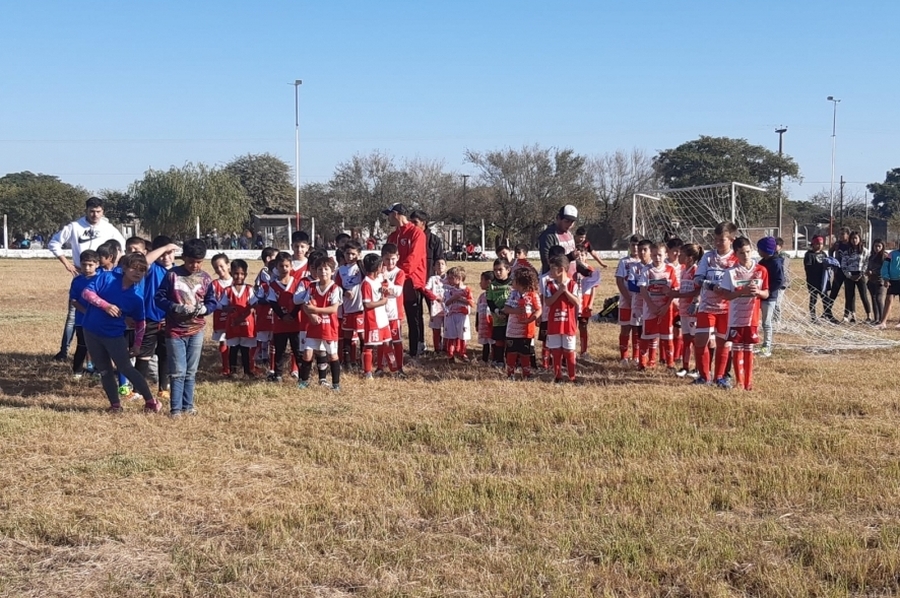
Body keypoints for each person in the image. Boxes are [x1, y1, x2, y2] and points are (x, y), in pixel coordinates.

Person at [48, 196, 127, 362]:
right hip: (81, 275)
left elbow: (121, 247)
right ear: (86, 210)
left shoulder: (108, 228)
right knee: (73, 315)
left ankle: (94, 357)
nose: (95, 215)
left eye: (98, 211)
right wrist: (67, 264)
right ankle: (63, 351)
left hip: (101, 276)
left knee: (97, 311)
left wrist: (112, 267)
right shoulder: (75, 227)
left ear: (102, 211)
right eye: (92, 211)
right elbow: (54, 243)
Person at [80, 252, 160, 413]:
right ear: (124, 268)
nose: (138, 273)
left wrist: (137, 345)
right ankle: (115, 405)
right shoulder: (106, 278)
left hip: (114, 336)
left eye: (142, 270)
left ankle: (151, 401)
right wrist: (105, 305)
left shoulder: (136, 298)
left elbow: (140, 322)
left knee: (125, 368)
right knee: (104, 370)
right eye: (134, 268)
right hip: (90, 330)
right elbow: (86, 293)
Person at [155, 238, 217, 417]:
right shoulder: (172, 275)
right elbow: (159, 298)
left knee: (191, 371)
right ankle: (175, 409)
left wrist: (205, 309)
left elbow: (212, 301)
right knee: (177, 371)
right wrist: (174, 307)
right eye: (191, 261)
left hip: (197, 330)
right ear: (183, 258)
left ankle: (188, 406)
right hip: (175, 330)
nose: (194, 265)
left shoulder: (205, 278)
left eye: (198, 262)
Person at [692, 222, 739, 388]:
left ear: (731, 240)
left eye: (722, 240)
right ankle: (704, 377)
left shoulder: (736, 259)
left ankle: (720, 377)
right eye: (716, 239)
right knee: (700, 341)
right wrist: (711, 285)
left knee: (723, 343)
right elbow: (697, 278)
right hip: (707, 306)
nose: (718, 243)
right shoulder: (708, 257)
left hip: (727, 308)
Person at [719, 237, 769, 391]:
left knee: (749, 349)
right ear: (736, 254)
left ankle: (749, 383)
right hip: (735, 318)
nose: (746, 256)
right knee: (737, 348)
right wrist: (742, 291)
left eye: (748, 251)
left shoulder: (761, 270)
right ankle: (739, 382)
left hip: (751, 318)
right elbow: (725, 295)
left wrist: (758, 292)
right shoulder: (731, 272)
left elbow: (766, 293)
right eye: (741, 253)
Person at [384, 203, 427, 359]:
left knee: (413, 316)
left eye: (389, 214)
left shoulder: (416, 233)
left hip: (411, 281)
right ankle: (391, 349)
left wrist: (398, 274)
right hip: (392, 282)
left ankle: (416, 350)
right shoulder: (392, 236)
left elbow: (413, 259)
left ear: (396, 214)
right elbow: (385, 257)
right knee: (392, 314)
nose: (387, 218)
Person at [296, 255, 343, 390]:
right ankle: (303, 381)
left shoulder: (335, 289)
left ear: (332, 271)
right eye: (320, 269)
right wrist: (311, 315)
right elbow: (305, 305)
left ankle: (335, 384)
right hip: (313, 326)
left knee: (332, 354)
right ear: (315, 271)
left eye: (326, 269)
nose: (323, 272)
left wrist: (315, 310)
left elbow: (333, 309)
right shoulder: (311, 287)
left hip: (329, 327)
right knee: (307, 353)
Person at [637, 242, 679, 369]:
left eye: (660, 255)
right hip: (650, 309)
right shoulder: (647, 270)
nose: (657, 258)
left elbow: (674, 290)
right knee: (647, 335)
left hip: (666, 309)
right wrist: (651, 306)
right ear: (651, 255)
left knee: (667, 336)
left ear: (665, 254)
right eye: (654, 255)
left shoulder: (670, 269)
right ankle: (642, 363)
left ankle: (670, 363)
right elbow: (643, 290)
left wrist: (666, 306)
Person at [266, 252, 305, 382]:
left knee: (298, 350)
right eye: (281, 266)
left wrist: (292, 315)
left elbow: (300, 301)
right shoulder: (273, 285)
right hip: (280, 323)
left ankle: (302, 375)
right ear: (276, 267)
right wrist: (283, 316)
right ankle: (278, 374)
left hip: (295, 322)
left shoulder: (298, 283)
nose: (284, 269)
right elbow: (273, 303)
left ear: (291, 266)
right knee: (280, 350)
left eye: (287, 266)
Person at [544, 255, 581, 384]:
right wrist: (559, 292)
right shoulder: (549, 285)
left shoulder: (573, 284)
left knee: (569, 350)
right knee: (556, 350)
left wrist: (566, 292)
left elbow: (576, 301)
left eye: (552, 268)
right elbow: (548, 302)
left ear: (561, 269)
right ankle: (558, 375)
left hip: (568, 322)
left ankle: (572, 376)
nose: (550, 272)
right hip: (554, 322)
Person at [218, 259, 258, 379]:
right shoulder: (228, 291)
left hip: (246, 323)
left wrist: (241, 317)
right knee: (234, 348)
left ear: (245, 274)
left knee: (245, 349)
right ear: (231, 273)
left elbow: (253, 305)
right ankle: (233, 371)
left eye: (242, 273)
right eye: (236, 273)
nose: (239, 276)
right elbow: (222, 306)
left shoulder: (249, 289)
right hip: (233, 324)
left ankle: (247, 371)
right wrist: (228, 310)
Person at [502, 267, 541, 379]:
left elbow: (539, 309)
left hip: (526, 331)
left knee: (525, 354)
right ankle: (510, 374)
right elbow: (506, 309)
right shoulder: (513, 294)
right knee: (511, 353)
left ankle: (526, 374)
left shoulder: (533, 295)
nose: (511, 281)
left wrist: (532, 319)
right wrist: (515, 311)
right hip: (512, 331)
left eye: (514, 279)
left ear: (521, 282)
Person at [69, 250, 100, 378]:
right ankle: (77, 372)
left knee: (98, 347)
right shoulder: (77, 281)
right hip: (82, 320)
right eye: (84, 265)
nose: (87, 268)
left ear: (97, 264)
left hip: (99, 321)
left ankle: (97, 370)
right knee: (82, 346)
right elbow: (74, 300)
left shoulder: (102, 279)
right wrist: (85, 312)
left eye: (90, 265)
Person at [671, 243, 701, 378]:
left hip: (693, 310)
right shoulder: (683, 270)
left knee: (695, 340)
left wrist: (694, 302)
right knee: (686, 338)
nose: (678, 256)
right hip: (683, 309)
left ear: (690, 258)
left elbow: (698, 290)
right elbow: (684, 289)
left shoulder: (696, 271)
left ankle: (698, 368)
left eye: (681, 254)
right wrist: (674, 293)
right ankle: (685, 366)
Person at [360, 253, 391, 379]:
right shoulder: (366, 283)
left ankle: (381, 367)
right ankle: (367, 372)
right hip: (373, 319)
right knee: (370, 345)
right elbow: (367, 304)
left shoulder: (378, 279)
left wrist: (385, 291)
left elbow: (383, 287)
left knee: (386, 343)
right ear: (378, 267)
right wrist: (382, 302)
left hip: (383, 317)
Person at [336, 240, 365, 368]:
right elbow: (335, 287)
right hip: (347, 308)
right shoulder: (340, 270)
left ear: (359, 254)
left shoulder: (362, 268)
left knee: (362, 335)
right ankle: (347, 362)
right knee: (347, 335)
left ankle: (364, 361)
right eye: (348, 254)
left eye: (353, 254)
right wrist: (344, 292)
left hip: (360, 308)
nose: (350, 257)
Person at [380, 243, 407, 376]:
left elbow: (397, 291)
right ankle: (380, 366)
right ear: (382, 258)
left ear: (397, 257)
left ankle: (399, 367)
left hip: (394, 313)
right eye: (386, 259)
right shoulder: (378, 271)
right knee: (381, 340)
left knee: (396, 341)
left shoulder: (399, 273)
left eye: (393, 259)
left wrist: (386, 281)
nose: (390, 262)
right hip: (380, 312)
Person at [615, 235, 642, 364]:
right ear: (629, 246)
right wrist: (628, 297)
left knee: (637, 329)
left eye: (638, 245)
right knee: (625, 328)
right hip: (626, 301)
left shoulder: (645, 263)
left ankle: (636, 356)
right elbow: (619, 281)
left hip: (640, 302)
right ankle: (623, 357)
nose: (635, 248)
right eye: (633, 245)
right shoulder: (624, 262)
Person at [756, 237, 784, 357]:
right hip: (759, 296)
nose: (758, 251)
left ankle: (767, 347)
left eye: (759, 249)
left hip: (770, 297)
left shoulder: (776, 262)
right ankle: (757, 344)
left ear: (765, 250)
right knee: (756, 321)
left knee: (766, 323)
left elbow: (779, 281)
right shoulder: (762, 262)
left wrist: (767, 291)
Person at [443, 266, 475, 363]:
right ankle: (450, 354)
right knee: (451, 335)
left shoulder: (467, 290)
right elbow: (446, 303)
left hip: (462, 315)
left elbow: (472, 303)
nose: (449, 280)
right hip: (452, 315)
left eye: (451, 278)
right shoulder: (449, 290)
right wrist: (453, 298)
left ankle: (462, 352)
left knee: (463, 335)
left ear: (459, 278)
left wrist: (460, 299)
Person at [486, 258, 513, 366]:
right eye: (495, 270)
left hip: (511, 317)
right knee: (499, 340)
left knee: (510, 340)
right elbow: (490, 301)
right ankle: (499, 360)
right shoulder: (492, 285)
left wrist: (509, 311)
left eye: (500, 270)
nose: (497, 272)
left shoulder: (513, 283)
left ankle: (511, 361)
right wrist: (497, 311)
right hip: (498, 318)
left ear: (508, 270)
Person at [537, 205, 579, 274]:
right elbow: (548, 262)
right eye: (567, 221)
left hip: (570, 280)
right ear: (558, 218)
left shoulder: (569, 234)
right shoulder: (548, 236)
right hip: (555, 281)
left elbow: (574, 261)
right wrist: (570, 256)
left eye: (572, 222)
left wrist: (587, 271)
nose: (570, 225)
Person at [210, 254, 233, 376]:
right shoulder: (214, 284)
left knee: (236, 340)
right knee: (223, 340)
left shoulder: (236, 280)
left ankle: (236, 364)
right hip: (221, 316)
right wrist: (223, 307)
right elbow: (212, 301)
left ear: (228, 265)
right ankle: (225, 367)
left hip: (235, 317)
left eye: (221, 266)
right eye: (216, 268)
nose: (219, 270)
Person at [841, 231, 871, 323]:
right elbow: (843, 265)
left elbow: (866, 263)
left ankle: (869, 315)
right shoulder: (847, 252)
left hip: (860, 275)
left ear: (859, 239)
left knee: (863, 295)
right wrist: (849, 275)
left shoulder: (865, 251)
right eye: (852, 238)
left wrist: (861, 274)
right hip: (849, 275)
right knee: (849, 296)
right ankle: (850, 315)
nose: (854, 240)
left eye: (856, 238)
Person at [824, 227, 851, 322]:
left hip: (848, 271)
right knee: (834, 292)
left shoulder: (851, 244)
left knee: (849, 293)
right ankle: (827, 312)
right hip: (838, 271)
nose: (841, 236)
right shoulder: (838, 244)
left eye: (843, 234)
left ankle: (846, 315)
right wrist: (832, 260)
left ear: (848, 234)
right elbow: (830, 250)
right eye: (840, 234)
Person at [804, 236, 830, 322]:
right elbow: (808, 267)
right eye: (817, 244)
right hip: (813, 281)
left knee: (825, 298)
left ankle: (827, 314)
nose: (819, 246)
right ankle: (813, 316)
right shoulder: (809, 255)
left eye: (821, 244)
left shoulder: (823, 254)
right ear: (813, 244)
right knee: (813, 299)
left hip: (822, 281)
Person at [424, 259, 447, 352]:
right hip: (436, 309)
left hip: (447, 309)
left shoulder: (449, 278)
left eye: (442, 264)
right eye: (437, 264)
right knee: (436, 330)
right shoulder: (432, 279)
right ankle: (437, 348)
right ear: (433, 267)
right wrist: (434, 297)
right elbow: (426, 289)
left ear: (446, 266)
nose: (440, 266)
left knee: (447, 329)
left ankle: (446, 347)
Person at [876, 246, 900, 329]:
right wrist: (886, 278)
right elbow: (885, 266)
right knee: (888, 300)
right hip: (893, 280)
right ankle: (883, 322)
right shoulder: (892, 254)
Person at [866, 239, 887, 325]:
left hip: (880, 281)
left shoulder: (885, 257)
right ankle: (876, 319)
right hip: (871, 280)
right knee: (873, 299)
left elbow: (884, 269)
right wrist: (867, 271)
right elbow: (869, 266)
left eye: (879, 246)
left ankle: (882, 320)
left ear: (882, 247)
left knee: (879, 299)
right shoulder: (871, 256)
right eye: (875, 246)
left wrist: (873, 272)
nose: (877, 248)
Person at [476, 271, 494, 363]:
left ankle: (494, 358)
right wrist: (477, 323)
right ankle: (485, 358)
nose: (480, 283)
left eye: (482, 280)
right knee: (485, 342)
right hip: (483, 324)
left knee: (493, 342)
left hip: (491, 323)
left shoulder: (494, 296)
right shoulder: (481, 296)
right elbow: (478, 311)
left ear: (489, 282)